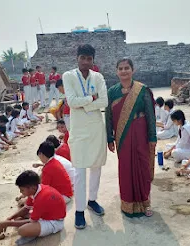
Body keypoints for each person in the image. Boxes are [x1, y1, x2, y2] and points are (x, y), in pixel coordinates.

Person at [62, 44, 108, 229]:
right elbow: (71, 101)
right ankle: (79, 211)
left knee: (96, 167)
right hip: (79, 130)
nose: (86, 61)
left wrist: (85, 105)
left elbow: (104, 100)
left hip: (97, 128)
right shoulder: (68, 76)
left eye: (89, 58)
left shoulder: (98, 77)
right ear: (77, 58)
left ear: (93, 60)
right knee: (80, 171)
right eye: (83, 57)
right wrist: (92, 99)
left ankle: (92, 200)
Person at [105, 58, 157, 218]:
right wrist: (109, 137)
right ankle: (127, 204)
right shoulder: (112, 92)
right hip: (122, 135)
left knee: (142, 166)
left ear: (133, 70)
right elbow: (108, 117)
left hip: (141, 131)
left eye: (127, 68)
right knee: (126, 167)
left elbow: (150, 115)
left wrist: (152, 137)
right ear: (116, 71)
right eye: (120, 68)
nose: (124, 71)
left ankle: (145, 203)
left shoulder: (142, 90)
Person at [0, 171, 66, 246]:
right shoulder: (36, 190)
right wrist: (10, 218)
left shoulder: (41, 198)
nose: (21, 192)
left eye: (22, 190)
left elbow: (32, 221)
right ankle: (33, 230)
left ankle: (33, 234)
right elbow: (26, 208)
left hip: (54, 222)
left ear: (32, 188)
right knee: (17, 219)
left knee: (22, 231)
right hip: (46, 215)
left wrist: (8, 223)